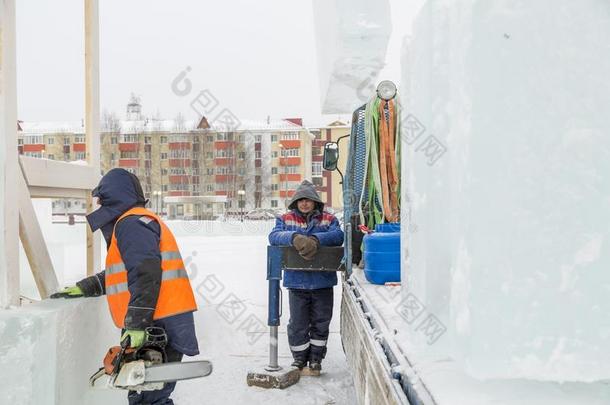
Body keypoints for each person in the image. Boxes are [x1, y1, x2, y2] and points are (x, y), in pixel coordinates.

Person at [52, 168, 198, 405]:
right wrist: (87, 286)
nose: (98, 204)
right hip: (159, 320)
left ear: (114, 196)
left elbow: (145, 273)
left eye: (102, 198)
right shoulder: (136, 221)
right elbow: (123, 273)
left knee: (148, 398)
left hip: (157, 325)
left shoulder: (131, 224)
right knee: (144, 395)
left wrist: (137, 323)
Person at [268, 180, 344, 374]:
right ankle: (299, 359)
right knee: (298, 324)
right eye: (300, 200)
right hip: (297, 283)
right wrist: (295, 237)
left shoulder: (328, 219)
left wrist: (317, 239)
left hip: (322, 283)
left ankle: (316, 359)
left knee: (321, 322)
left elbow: (338, 235)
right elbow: (274, 235)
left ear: (315, 201)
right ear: (295, 202)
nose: (304, 203)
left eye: (308, 200)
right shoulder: (285, 219)